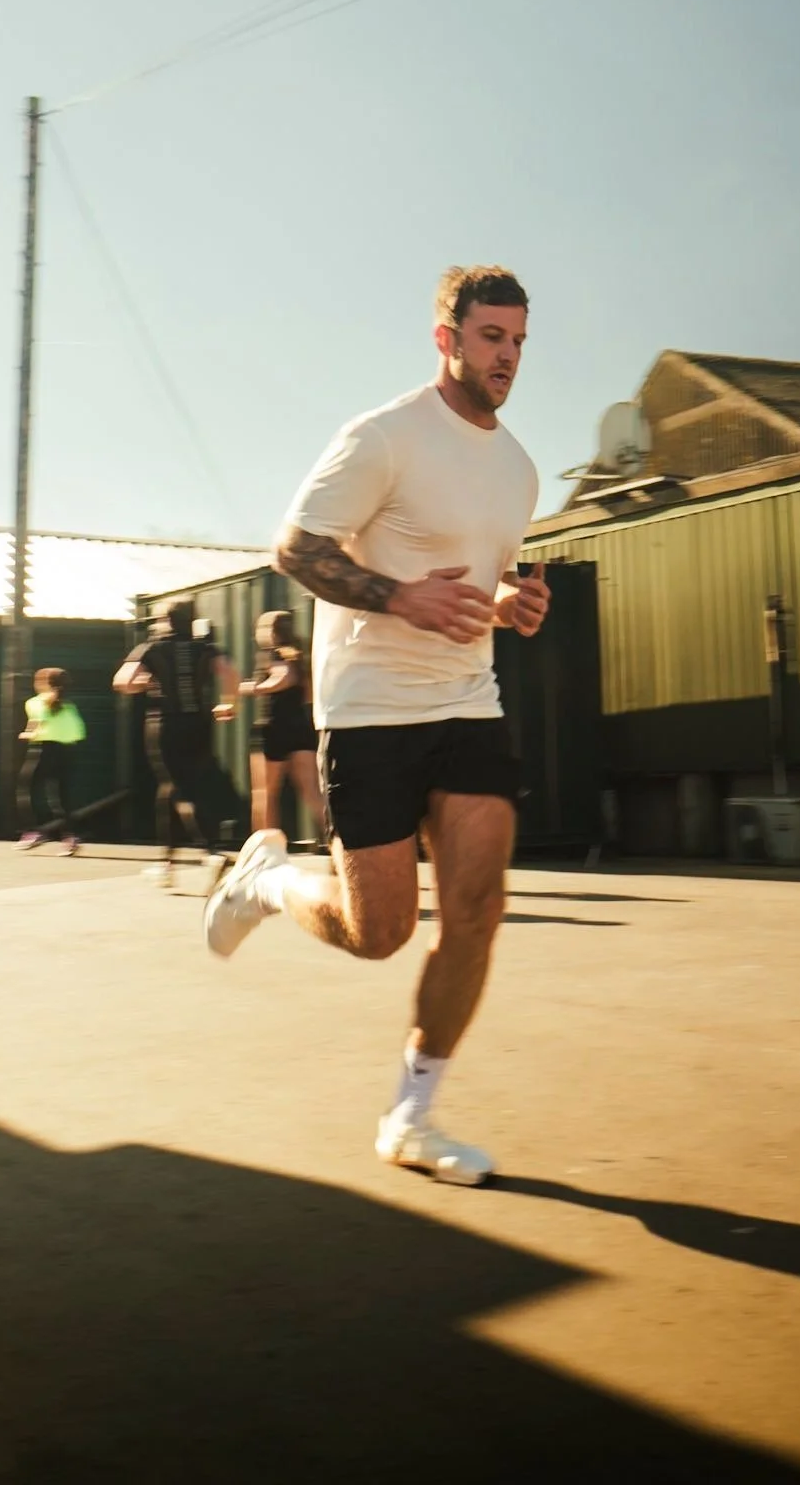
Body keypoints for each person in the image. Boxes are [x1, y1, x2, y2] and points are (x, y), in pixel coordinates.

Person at [203, 265, 549, 1185]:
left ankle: (411, 1117)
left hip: (468, 701)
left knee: (477, 911)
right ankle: (271, 879)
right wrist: (397, 596)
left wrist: (511, 602)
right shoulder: (383, 436)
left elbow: (476, 575)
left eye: (517, 339)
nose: (507, 356)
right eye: (490, 337)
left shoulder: (517, 468)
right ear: (447, 339)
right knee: (379, 932)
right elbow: (296, 548)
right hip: (369, 711)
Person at [114, 598, 239, 890]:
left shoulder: (151, 648)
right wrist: (228, 705)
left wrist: (144, 684)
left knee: (176, 789)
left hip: (165, 724)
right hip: (199, 724)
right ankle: (166, 863)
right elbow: (231, 674)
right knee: (176, 789)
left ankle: (210, 852)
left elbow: (123, 682)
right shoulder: (205, 648)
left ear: (165, 621)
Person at [240, 610, 321, 840]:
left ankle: (264, 854)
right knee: (312, 793)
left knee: (265, 795)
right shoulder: (301, 656)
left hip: (273, 729)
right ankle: (337, 845)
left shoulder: (273, 655)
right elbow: (308, 693)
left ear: (270, 632)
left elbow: (285, 677)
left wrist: (254, 688)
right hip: (301, 730)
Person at [17, 668, 87, 855]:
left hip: (44, 750)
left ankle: (33, 832)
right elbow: (79, 731)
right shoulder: (69, 705)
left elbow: (34, 729)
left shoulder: (35, 703)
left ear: (41, 683)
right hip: (69, 751)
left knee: (26, 790)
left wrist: (25, 735)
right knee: (61, 797)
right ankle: (70, 838)